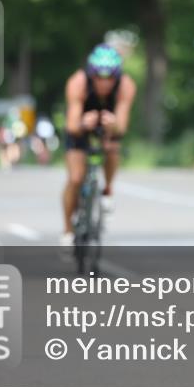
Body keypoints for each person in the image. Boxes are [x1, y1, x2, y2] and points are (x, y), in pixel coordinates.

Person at [60, 44, 137, 251]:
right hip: (81, 127)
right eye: (99, 77)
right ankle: (68, 230)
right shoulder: (78, 82)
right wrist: (84, 123)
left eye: (110, 77)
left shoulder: (126, 86)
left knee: (112, 147)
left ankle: (107, 190)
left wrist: (113, 125)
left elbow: (122, 126)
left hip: (107, 128)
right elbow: (71, 125)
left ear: (117, 75)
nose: (104, 83)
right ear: (91, 74)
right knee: (76, 178)